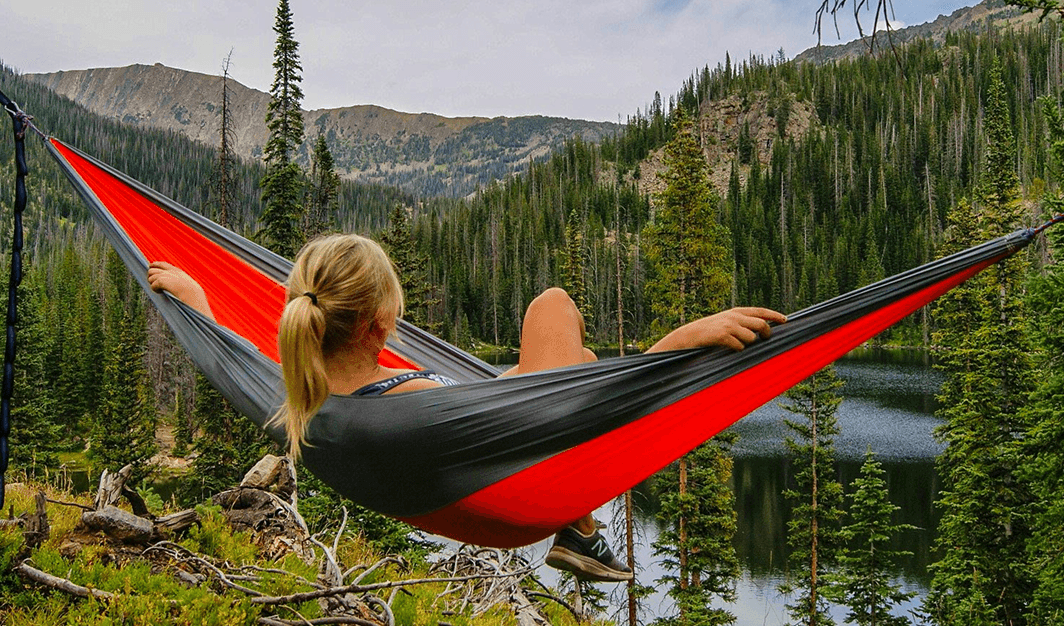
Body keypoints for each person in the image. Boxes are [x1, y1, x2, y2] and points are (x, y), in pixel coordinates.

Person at [148, 233, 786, 582]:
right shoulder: (411, 411)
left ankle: (582, 529)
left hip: (473, 464)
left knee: (581, 357)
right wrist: (678, 346)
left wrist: (199, 305)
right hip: (521, 494)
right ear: (378, 324)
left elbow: (231, 361)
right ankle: (579, 528)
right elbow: (576, 421)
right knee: (552, 305)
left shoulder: (299, 396)